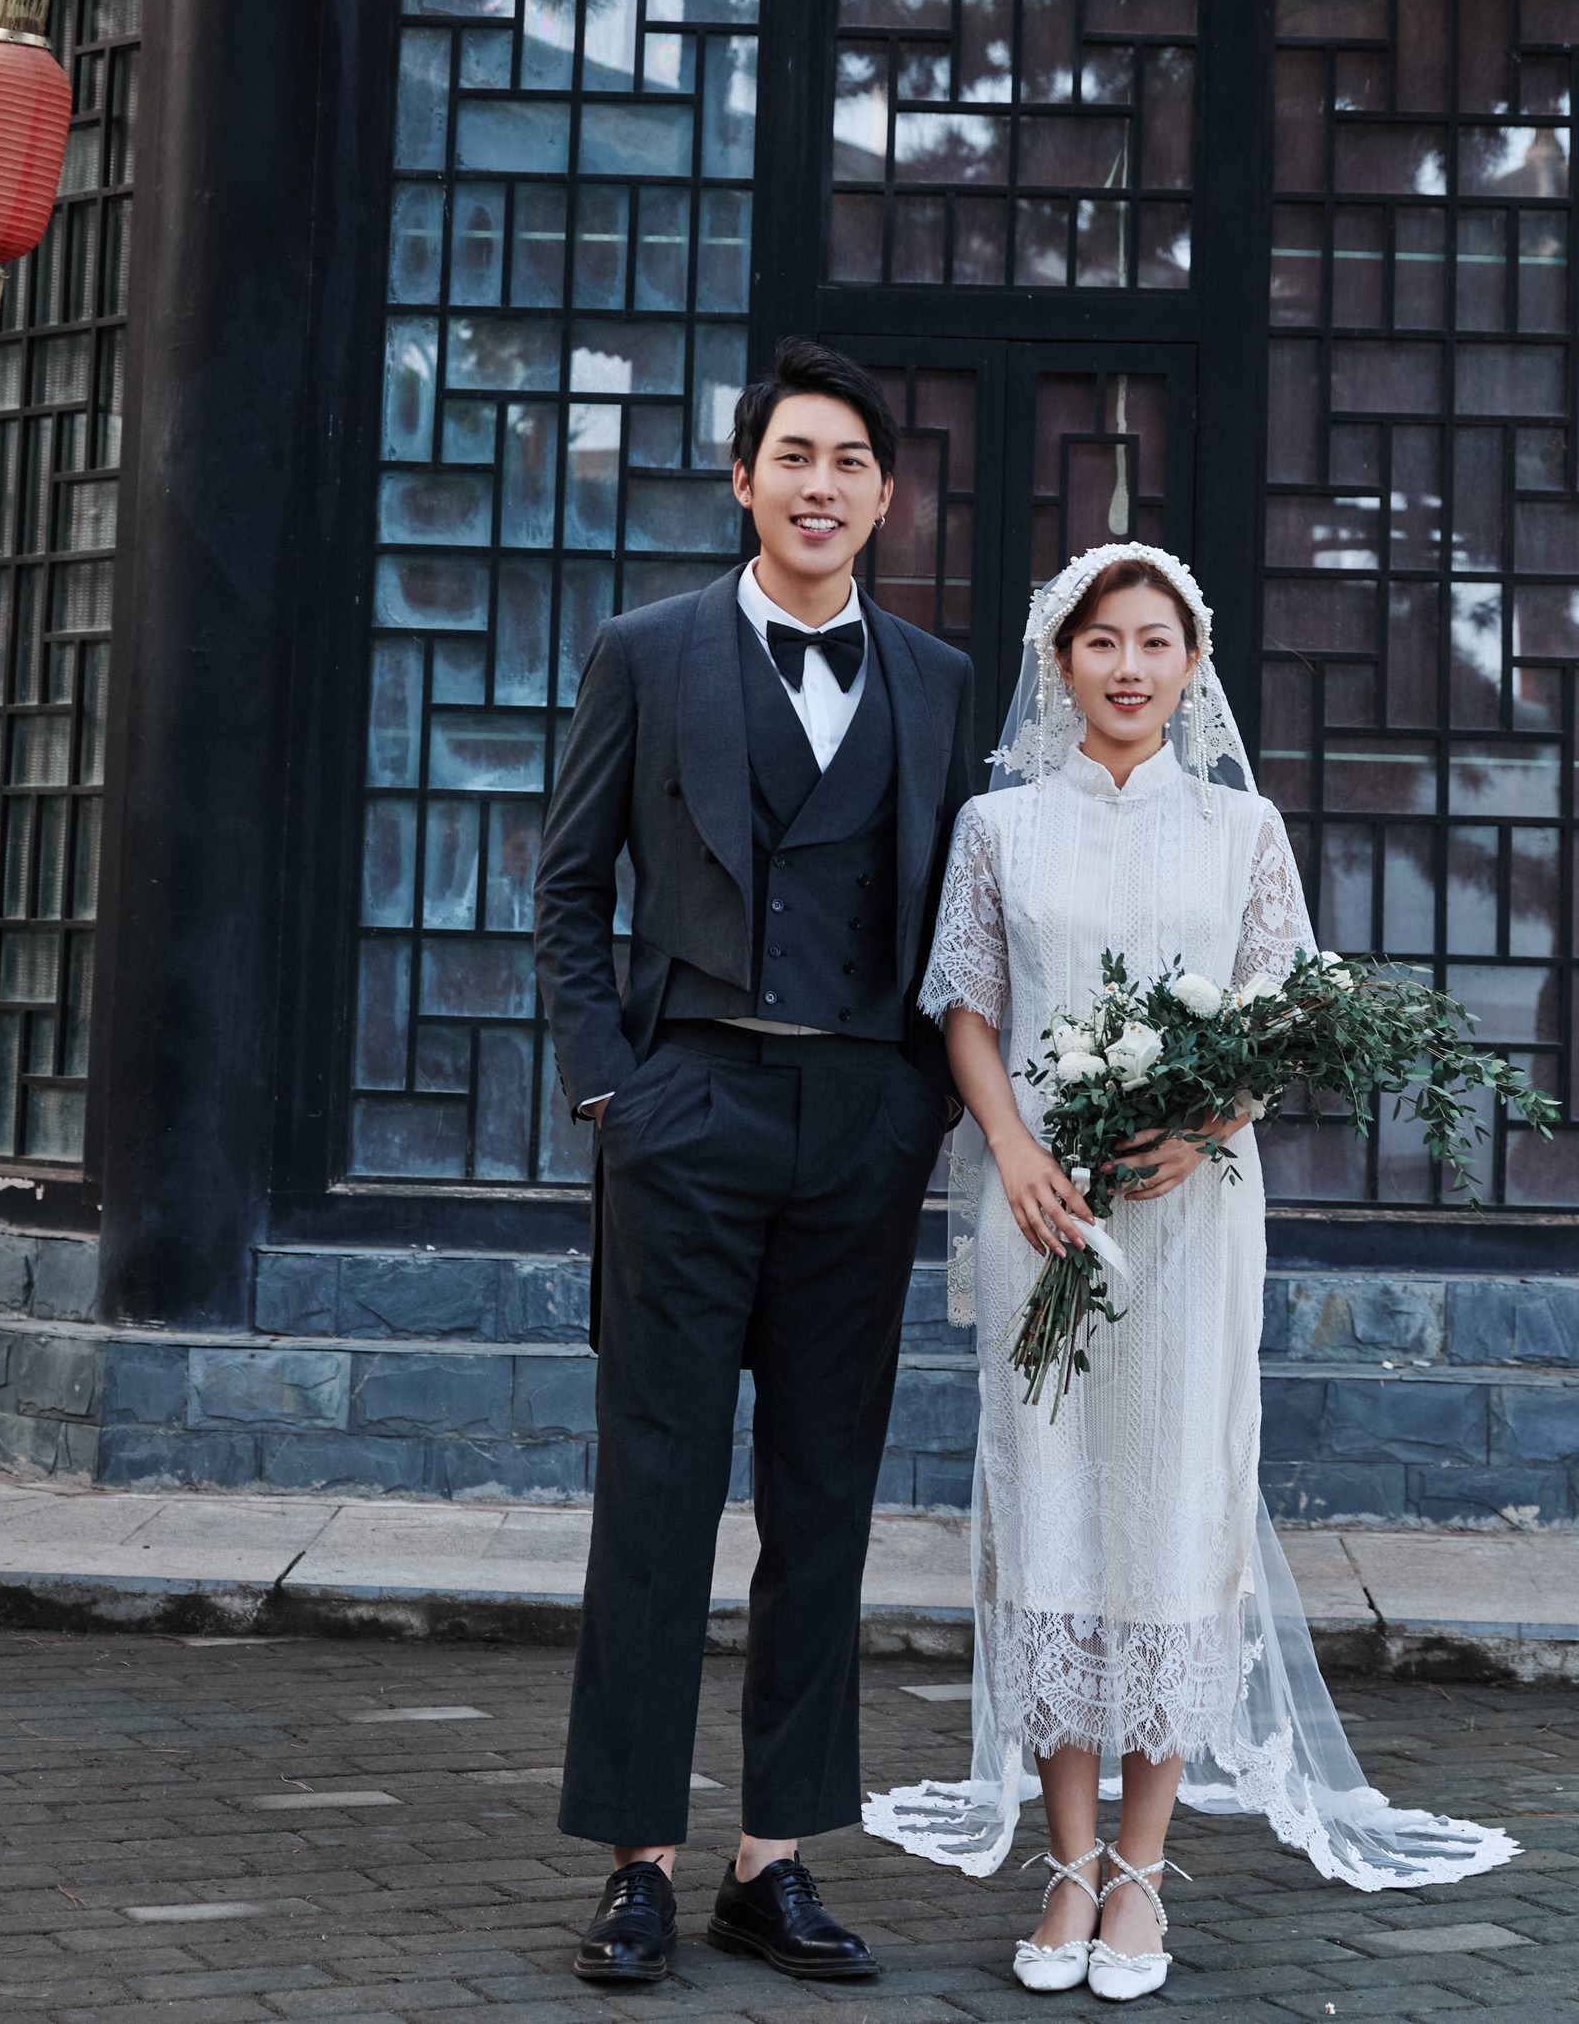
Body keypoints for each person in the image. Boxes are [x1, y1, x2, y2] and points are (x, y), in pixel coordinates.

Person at [866, 542, 1515, 1999]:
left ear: (1193, 665)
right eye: (1102, 640)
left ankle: (1142, 1874)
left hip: (1188, 1215)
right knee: (1047, 1513)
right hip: (1038, 1209)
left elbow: (1284, 1020)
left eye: (1156, 642)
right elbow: (965, 1005)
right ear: (1060, 661)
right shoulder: (998, 825)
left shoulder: (1241, 830)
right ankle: (1065, 1864)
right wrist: (1011, 1148)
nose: (1128, 666)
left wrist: (1205, 1124)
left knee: (1170, 1512)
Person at [534, 337, 976, 1990]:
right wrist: (612, 1092)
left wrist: (921, 1106)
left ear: (883, 493)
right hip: (688, 1109)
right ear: (742, 481)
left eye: (849, 461)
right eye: (792, 456)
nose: (819, 485)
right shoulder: (646, 652)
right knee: (655, 1491)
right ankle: (636, 1863)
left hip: (859, 1127)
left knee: (823, 1498)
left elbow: (958, 915)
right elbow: (569, 887)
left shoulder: (935, 679)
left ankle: (772, 1859)